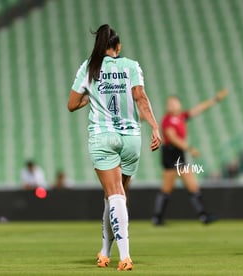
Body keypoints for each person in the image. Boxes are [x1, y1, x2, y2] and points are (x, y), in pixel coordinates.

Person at [68, 24, 161, 271]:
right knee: (118, 194)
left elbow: (71, 103)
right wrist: (154, 127)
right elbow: (140, 97)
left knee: (114, 194)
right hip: (131, 138)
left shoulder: (90, 67)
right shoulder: (131, 66)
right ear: (118, 47)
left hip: (103, 137)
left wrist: (90, 98)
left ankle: (125, 256)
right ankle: (105, 252)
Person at [152, 89, 228, 225]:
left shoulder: (181, 116)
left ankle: (203, 215)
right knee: (167, 188)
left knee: (192, 185)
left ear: (179, 104)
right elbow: (171, 137)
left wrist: (215, 99)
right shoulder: (167, 120)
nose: (171, 105)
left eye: (174, 103)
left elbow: (199, 109)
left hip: (178, 153)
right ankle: (158, 218)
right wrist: (189, 148)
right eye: (169, 103)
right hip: (171, 153)